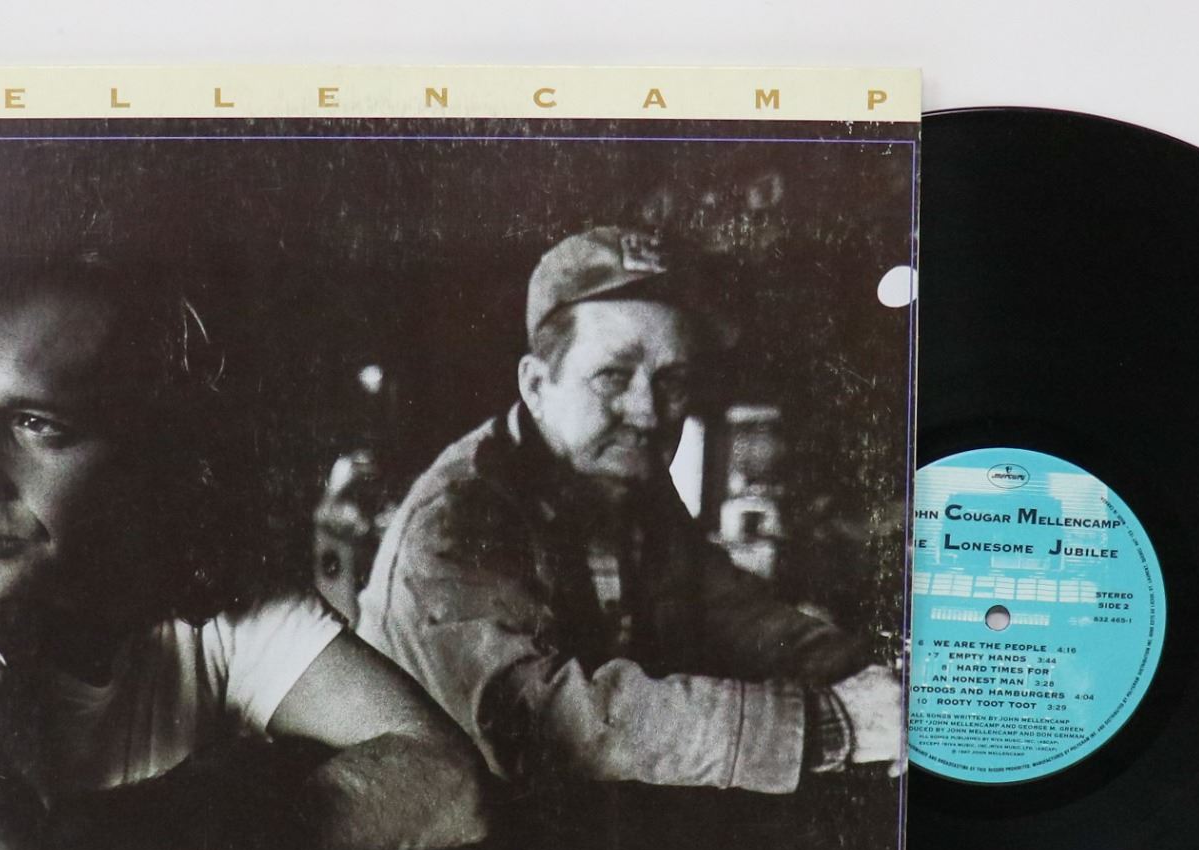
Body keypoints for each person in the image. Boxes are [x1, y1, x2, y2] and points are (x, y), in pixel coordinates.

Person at [0, 156, 488, 850]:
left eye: (38, 424)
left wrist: (83, 848)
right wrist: (269, 803)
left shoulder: (210, 594)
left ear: (162, 442)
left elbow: (450, 785)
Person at [358, 226, 902, 795]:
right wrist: (828, 725)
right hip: (448, 831)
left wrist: (864, 677)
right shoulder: (457, 515)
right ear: (537, 385)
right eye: (612, 377)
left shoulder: (622, 480)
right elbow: (540, 719)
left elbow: (731, 613)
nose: (647, 413)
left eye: (672, 382)